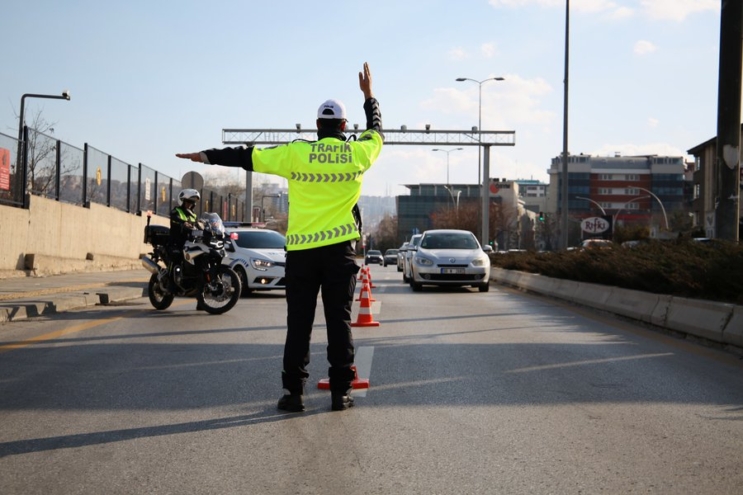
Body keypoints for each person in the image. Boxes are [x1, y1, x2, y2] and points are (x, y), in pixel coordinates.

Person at [176, 62, 383, 412]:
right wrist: (369, 96)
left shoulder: (296, 152)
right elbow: (377, 131)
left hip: (302, 254)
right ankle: (340, 393)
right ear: (345, 127)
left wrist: (204, 156)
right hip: (340, 254)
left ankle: (294, 394)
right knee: (340, 322)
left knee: (298, 325)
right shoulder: (358, 152)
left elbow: (247, 156)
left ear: (318, 126)